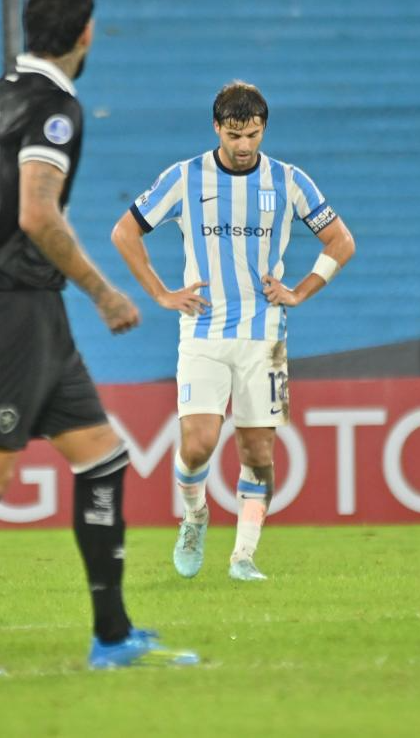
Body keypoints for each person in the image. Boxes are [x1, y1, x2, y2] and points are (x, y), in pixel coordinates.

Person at [0, 0, 197, 677]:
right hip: (15, 308)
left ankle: (113, 637)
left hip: (21, 306)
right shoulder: (56, 106)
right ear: (85, 34)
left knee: (102, 459)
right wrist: (104, 292)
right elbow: (36, 213)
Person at [110, 81, 356, 582]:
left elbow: (341, 241)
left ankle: (243, 556)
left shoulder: (288, 180)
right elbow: (124, 231)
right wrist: (161, 293)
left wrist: (300, 291)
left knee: (258, 452)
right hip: (202, 331)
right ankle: (195, 516)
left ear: (264, 129)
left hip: (264, 335)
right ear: (217, 128)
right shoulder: (185, 177)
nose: (244, 146)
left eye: (254, 135)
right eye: (235, 135)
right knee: (197, 444)